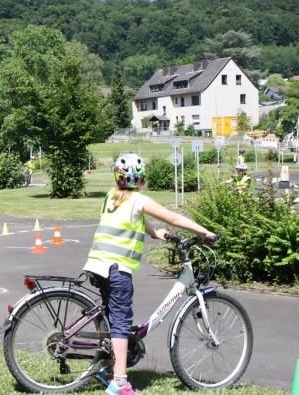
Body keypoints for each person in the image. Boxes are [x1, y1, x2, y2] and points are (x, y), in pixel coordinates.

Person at [84, 153, 215, 395]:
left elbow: (133, 221)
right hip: (117, 268)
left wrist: (155, 233)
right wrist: (204, 231)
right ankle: (120, 383)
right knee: (121, 322)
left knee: (114, 319)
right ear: (141, 179)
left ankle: (110, 369)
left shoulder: (110, 196)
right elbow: (173, 217)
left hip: (98, 263)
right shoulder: (139, 199)